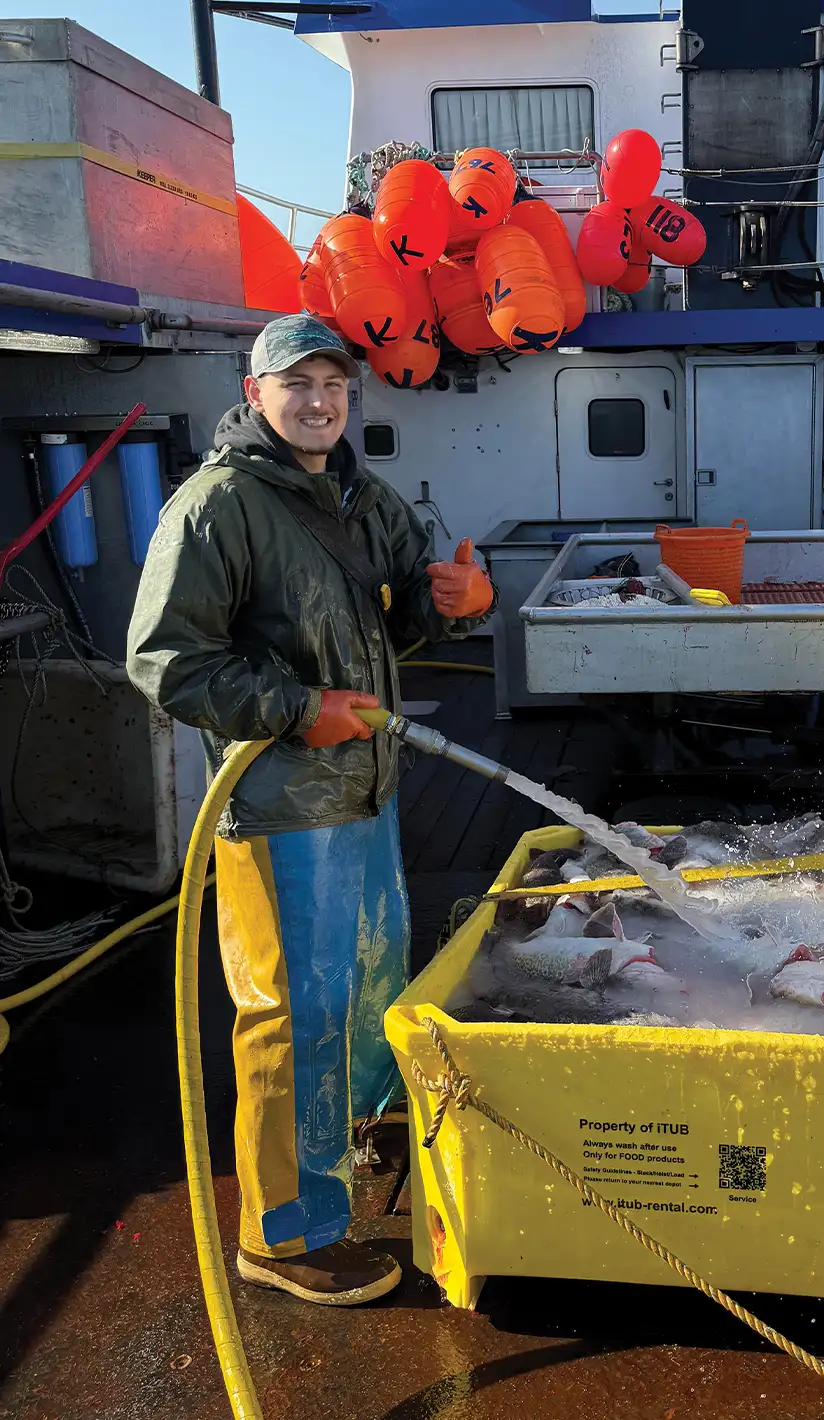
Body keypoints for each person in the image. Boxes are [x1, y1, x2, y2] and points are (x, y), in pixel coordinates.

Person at [127, 314, 495, 1305]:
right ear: (255, 393)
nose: (321, 399)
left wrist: (459, 597)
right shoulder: (219, 506)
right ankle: (284, 1237)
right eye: (299, 383)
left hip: (364, 793)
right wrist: (296, 709)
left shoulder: (354, 492)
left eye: (335, 382)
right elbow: (165, 660)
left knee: (370, 982)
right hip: (282, 807)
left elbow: (409, 607)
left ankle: (349, 1149)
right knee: (294, 1014)